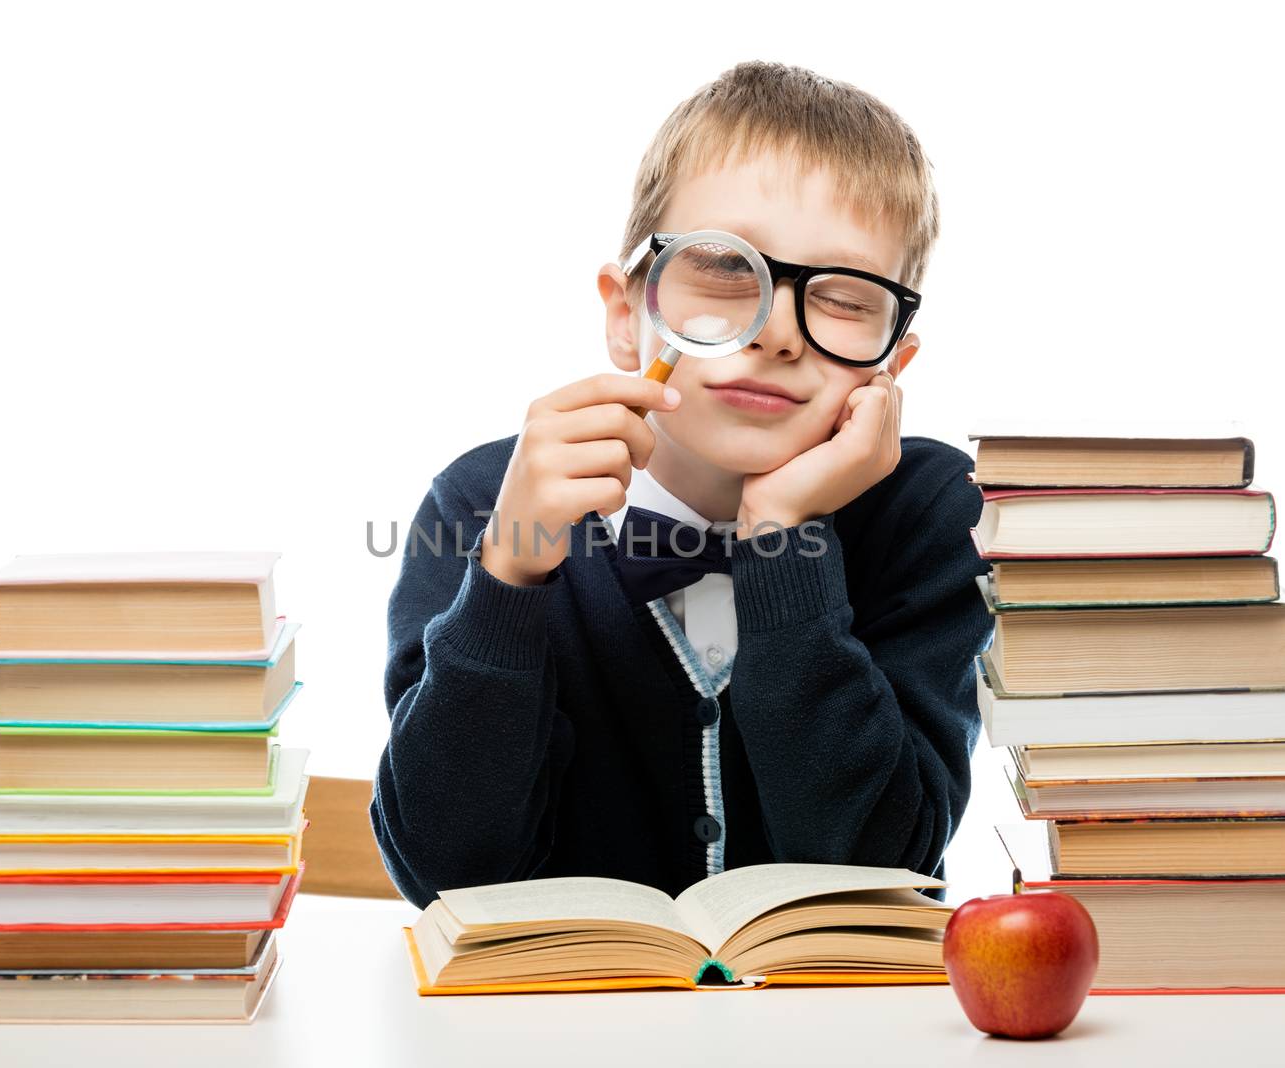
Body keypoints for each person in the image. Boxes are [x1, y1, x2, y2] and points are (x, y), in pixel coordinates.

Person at [372, 60, 992, 907]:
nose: (777, 333)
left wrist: (782, 533)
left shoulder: (930, 515)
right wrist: (509, 578)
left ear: (892, 364)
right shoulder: (487, 500)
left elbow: (877, 870)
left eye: (845, 298)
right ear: (628, 317)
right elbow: (448, 873)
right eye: (726, 270)